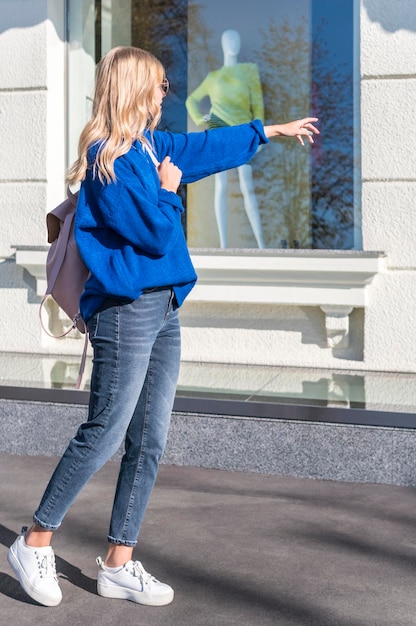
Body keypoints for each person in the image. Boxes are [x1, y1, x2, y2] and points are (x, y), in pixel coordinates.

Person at [7, 45, 319, 608]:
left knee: (148, 441)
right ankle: (35, 540)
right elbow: (151, 234)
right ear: (132, 88)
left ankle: (119, 563)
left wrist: (269, 130)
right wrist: (171, 192)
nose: (164, 93)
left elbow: (206, 146)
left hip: (164, 307)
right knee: (104, 431)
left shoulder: (154, 146)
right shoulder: (108, 160)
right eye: (157, 84)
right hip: (125, 312)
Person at [186, 29, 265, 248]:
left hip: (243, 131)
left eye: (236, 38)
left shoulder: (249, 71)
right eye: (229, 39)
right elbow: (191, 100)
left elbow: (258, 105)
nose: (233, 43)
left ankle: (261, 244)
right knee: (221, 186)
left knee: (246, 185)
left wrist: (260, 135)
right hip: (219, 131)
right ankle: (223, 245)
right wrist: (202, 120)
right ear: (221, 44)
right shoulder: (214, 77)